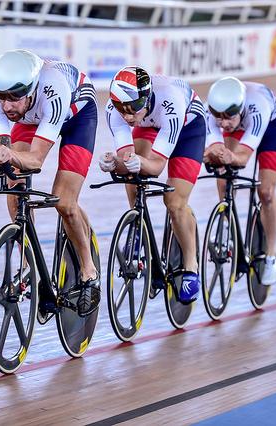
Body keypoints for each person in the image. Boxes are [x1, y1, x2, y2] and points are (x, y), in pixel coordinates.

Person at [0, 49, 100, 314]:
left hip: (77, 117)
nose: (7, 106)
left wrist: (10, 155)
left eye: (14, 98)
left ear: (30, 90)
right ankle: (29, 264)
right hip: (33, 118)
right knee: (13, 182)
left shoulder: (53, 88)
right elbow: (5, 150)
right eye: (1, 98)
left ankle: (89, 271)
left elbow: (36, 160)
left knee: (64, 202)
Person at [99, 66, 207, 304]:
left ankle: (191, 265)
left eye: (132, 109)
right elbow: (127, 158)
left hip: (188, 127)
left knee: (175, 202)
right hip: (150, 124)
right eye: (122, 110)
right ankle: (138, 226)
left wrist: (137, 162)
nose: (127, 117)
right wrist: (113, 163)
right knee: (131, 167)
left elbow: (157, 166)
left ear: (146, 98)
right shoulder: (116, 109)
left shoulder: (171, 102)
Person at [204, 76, 276, 285]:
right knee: (224, 178)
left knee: (266, 192)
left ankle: (271, 255)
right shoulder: (211, 112)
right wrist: (212, 155)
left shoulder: (257, 108)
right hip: (241, 125)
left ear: (240, 108)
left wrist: (229, 157)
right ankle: (226, 225)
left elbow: (241, 158)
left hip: (271, 126)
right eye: (218, 118)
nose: (223, 123)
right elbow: (214, 148)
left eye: (228, 117)